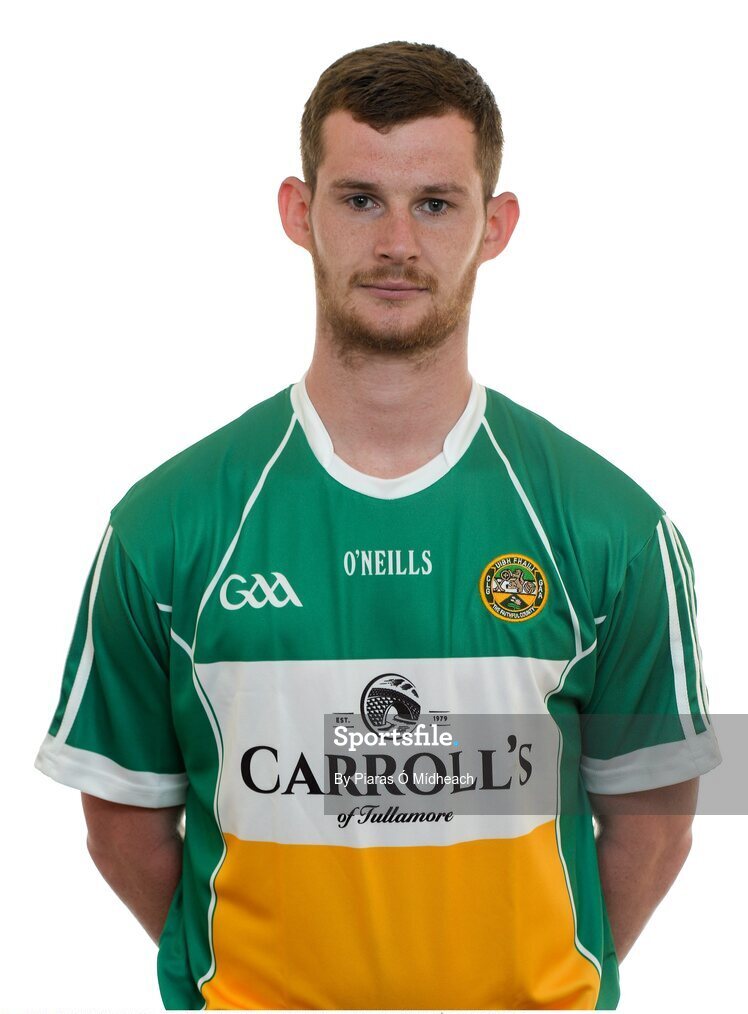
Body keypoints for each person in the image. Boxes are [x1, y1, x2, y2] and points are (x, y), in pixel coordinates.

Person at [35, 40, 721, 1011]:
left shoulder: (612, 528)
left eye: (434, 203)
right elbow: (120, 825)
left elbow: (654, 825)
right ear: (296, 211)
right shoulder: (165, 528)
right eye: (360, 199)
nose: (397, 241)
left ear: (495, 225)